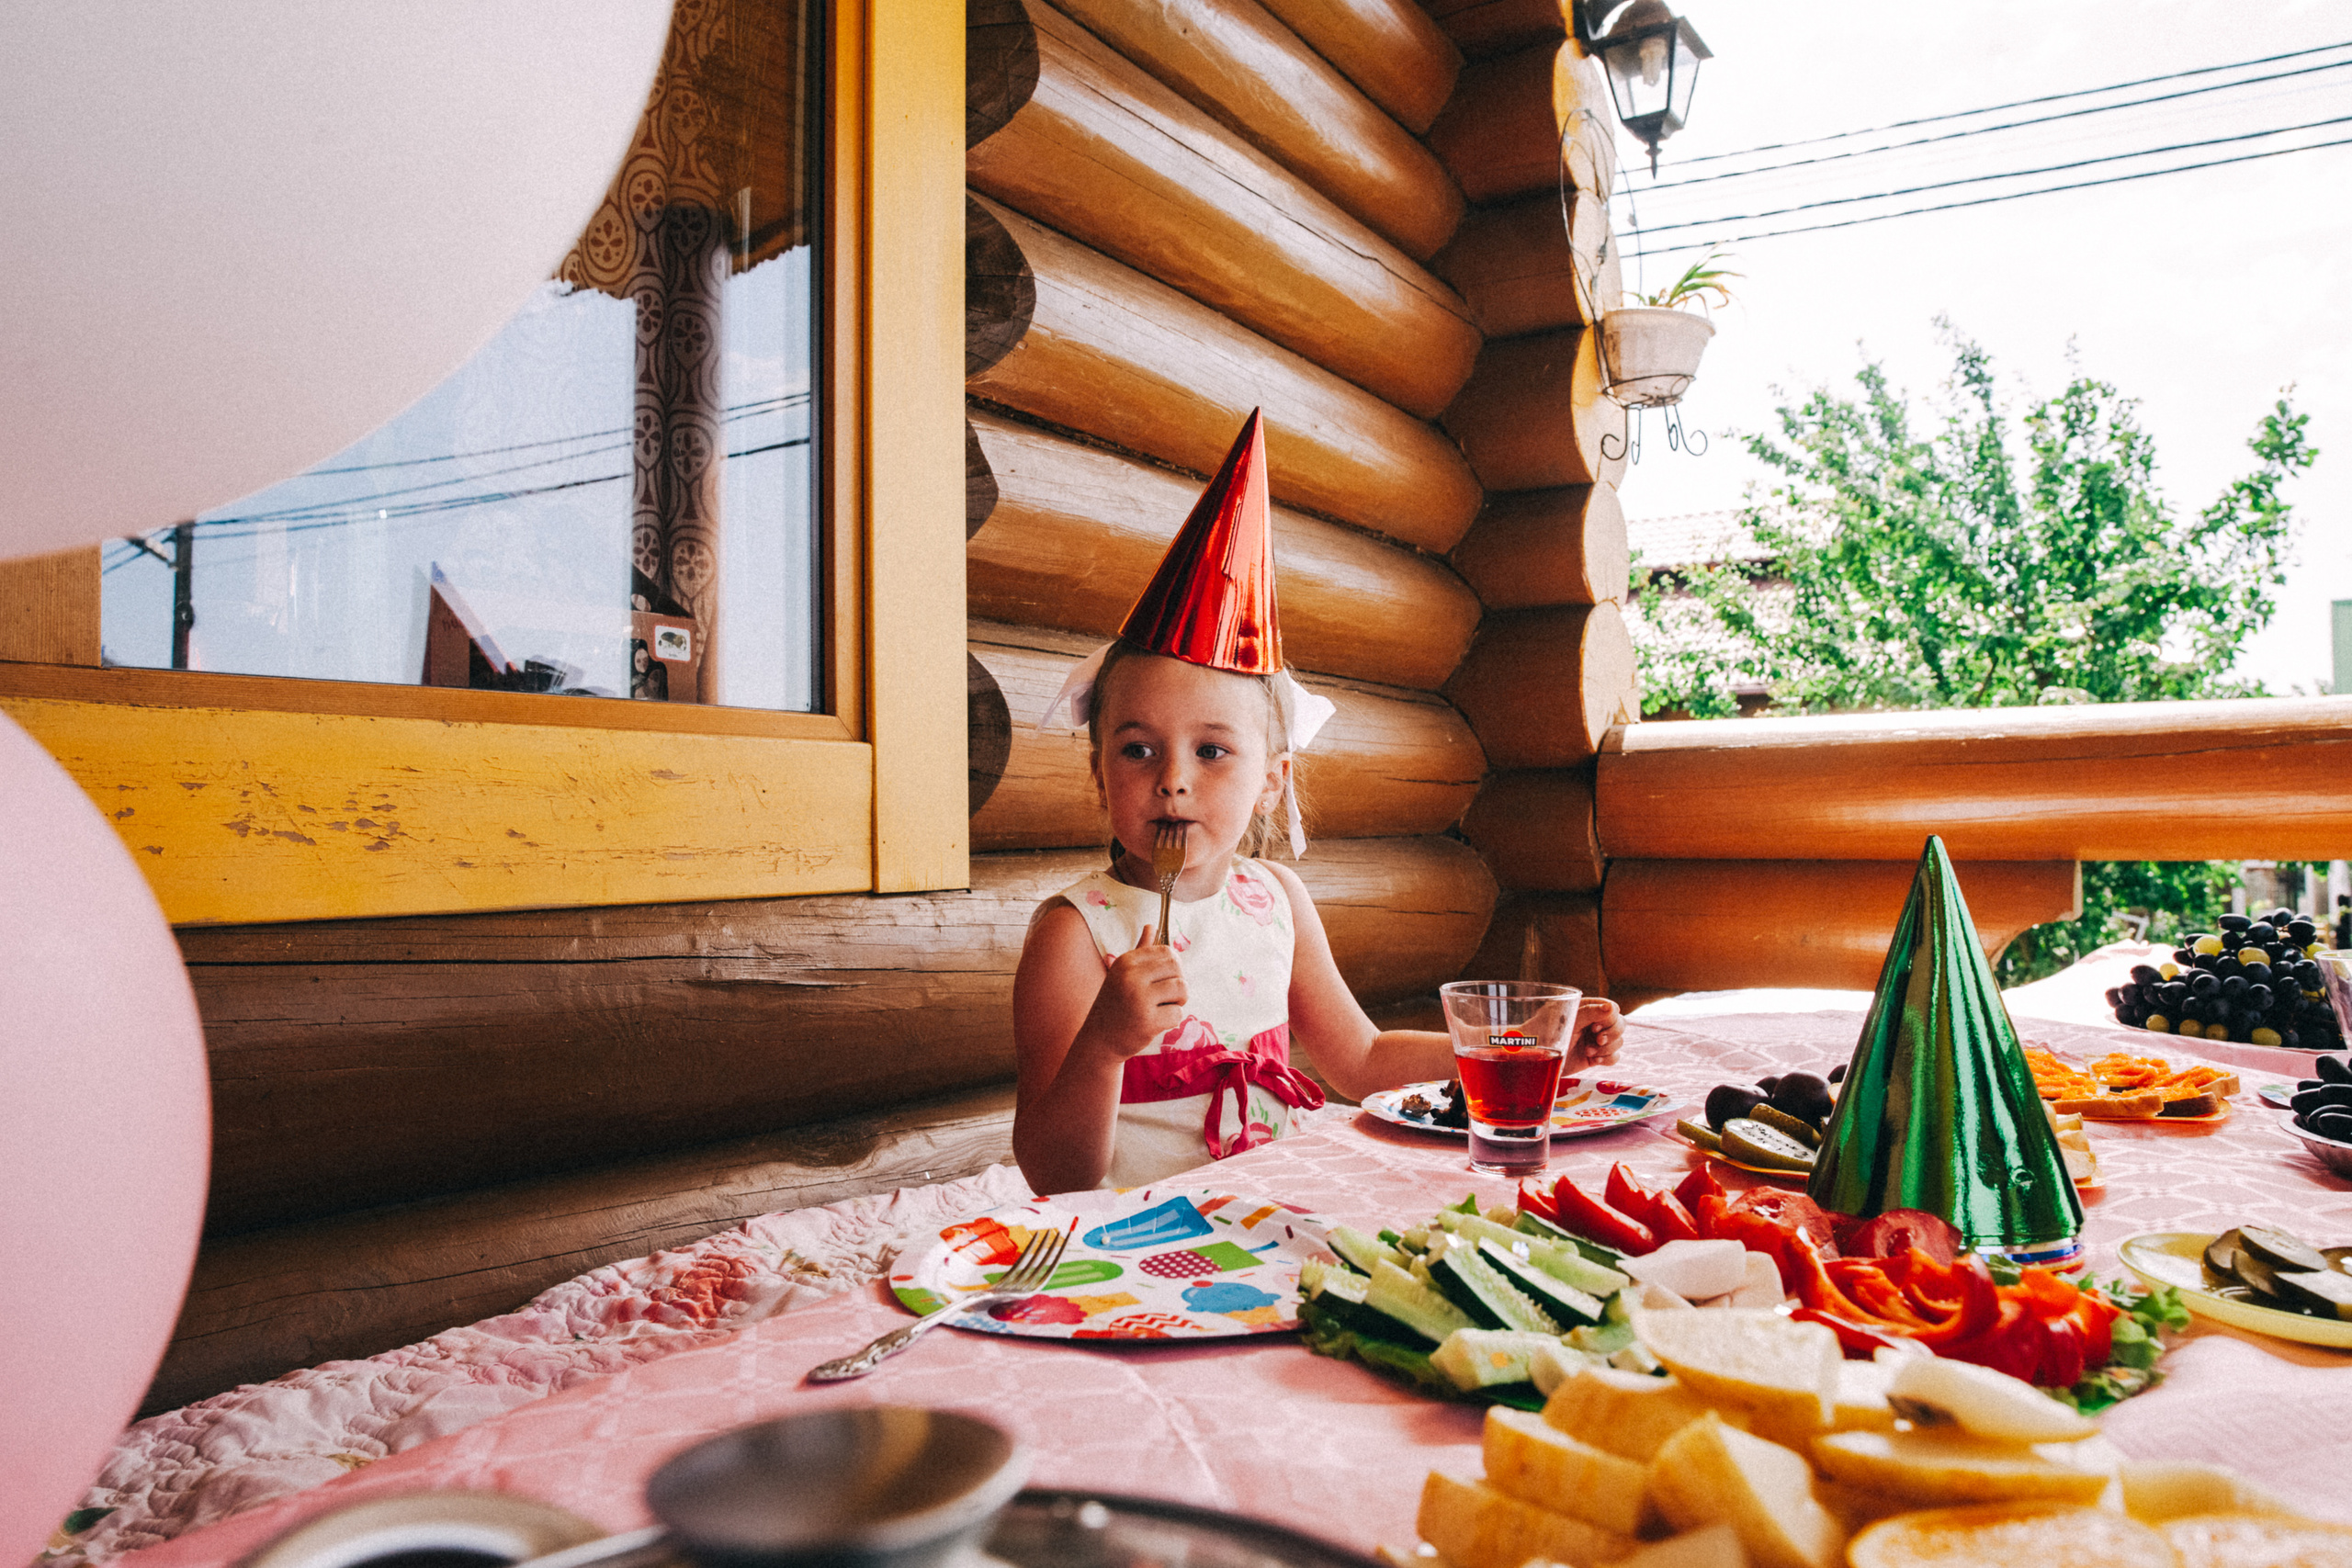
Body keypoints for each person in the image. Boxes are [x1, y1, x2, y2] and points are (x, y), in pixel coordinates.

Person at [1009, 412, 1624, 1195]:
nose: (1172, 778)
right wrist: (1103, 1044)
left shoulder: (1276, 900)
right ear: (1099, 775)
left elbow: (1362, 1061)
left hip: (1267, 1214)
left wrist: (1523, 1048)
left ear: (1272, 778)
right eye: (1137, 749)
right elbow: (1053, 1174)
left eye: (1212, 750)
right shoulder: (1073, 935)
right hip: (1132, 1240)